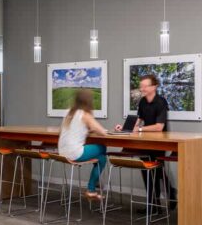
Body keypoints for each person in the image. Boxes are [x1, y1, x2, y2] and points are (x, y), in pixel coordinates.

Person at [114, 74, 176, 210]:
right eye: (141, 86)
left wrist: (139, 129)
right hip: (146, 140)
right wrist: (125, 128)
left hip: (160, 141)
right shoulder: (142, 102)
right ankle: (157, 203)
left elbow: (159, 127)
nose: (142, 89)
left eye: (145, 86)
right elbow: (138, 119)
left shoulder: (161, 102)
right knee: (149, 170)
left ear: (154, 87)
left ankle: (158, 202)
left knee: (155, 170)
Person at [58, 89, 109, 199]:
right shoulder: (85, 114)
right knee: (102, 148)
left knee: (102, 158)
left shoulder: (68, 112)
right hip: (75, 153)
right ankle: (91, 187)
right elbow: (101, 131)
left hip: (62, 152)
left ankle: (93, 186)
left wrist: (86, 130)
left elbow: (73, 129)